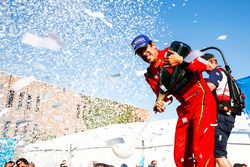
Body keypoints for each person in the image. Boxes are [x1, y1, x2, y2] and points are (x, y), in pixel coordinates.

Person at [131, 34, 217, 167]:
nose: (144, 54)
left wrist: (182, 60)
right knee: (181, 155)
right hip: (185, 108)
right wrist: (160, 103)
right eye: (140, 52)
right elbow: (164, 97)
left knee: (201, 149)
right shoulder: (149, 75)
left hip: (202, 100)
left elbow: (205, 65)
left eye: (145, 48)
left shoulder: (173, 51)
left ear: (152, 45)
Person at [201, 53, 238, 167]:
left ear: (212, 62)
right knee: (218, 152)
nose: (204, 70)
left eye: (204, 66)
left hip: (222, 117)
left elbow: (207, 90)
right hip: (228, 117)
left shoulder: (216, 72)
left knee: (219, 154)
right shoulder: (226, 75)